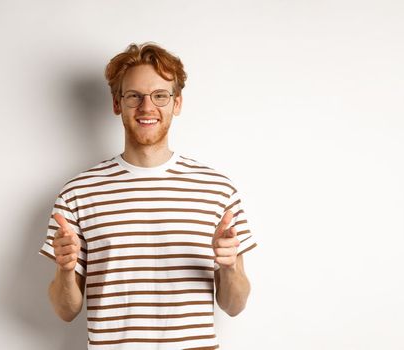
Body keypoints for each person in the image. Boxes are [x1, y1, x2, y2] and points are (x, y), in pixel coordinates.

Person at [37, 42, 258, 349]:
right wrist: (64, 270)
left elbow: (234, 305)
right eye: (134, 96)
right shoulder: (78, 192)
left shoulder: (217, 189)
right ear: (117, 103)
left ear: (176, 103)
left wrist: (229, 266)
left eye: (160, 95)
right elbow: (65, 311)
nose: (146, 107)